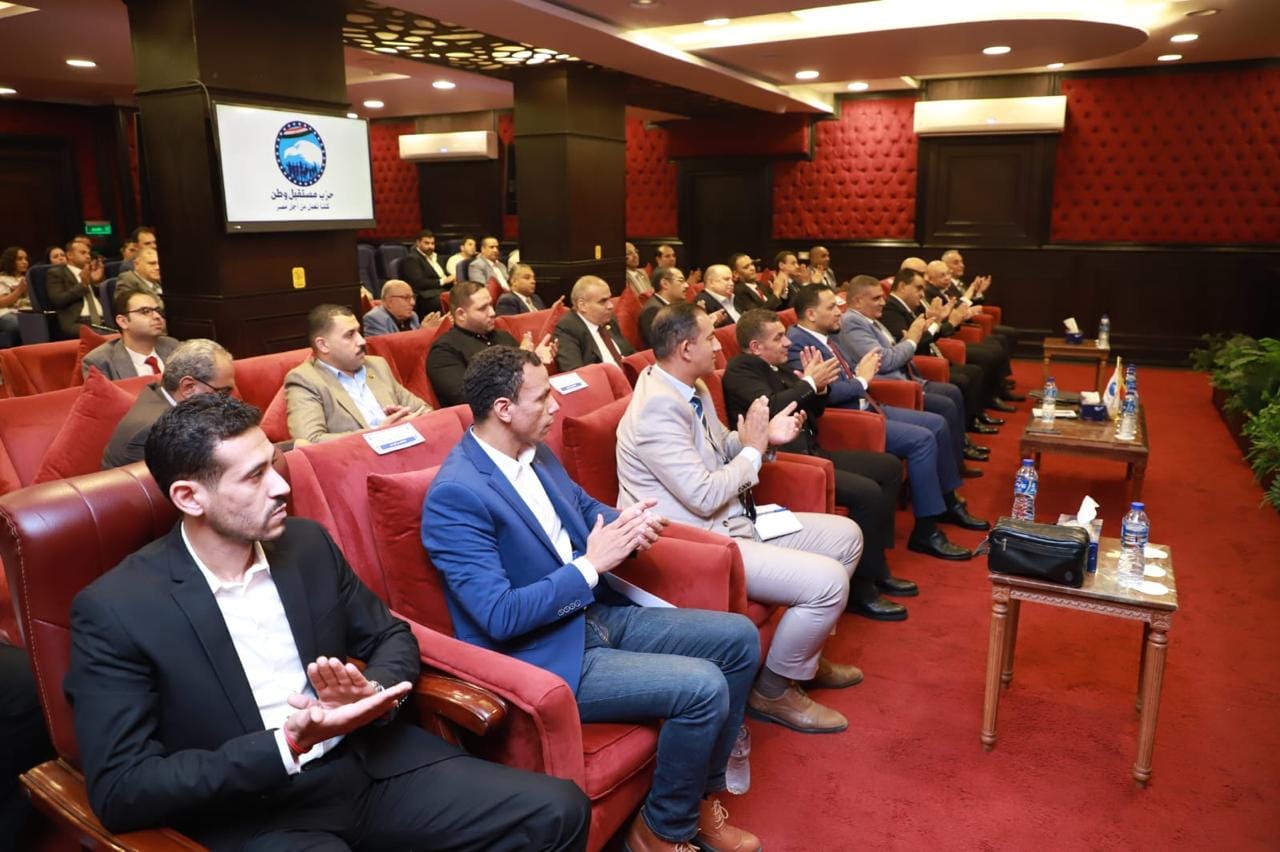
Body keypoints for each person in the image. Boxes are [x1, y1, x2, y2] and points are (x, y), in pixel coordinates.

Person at [67, 393, 590, 849]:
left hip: (367, 762)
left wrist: (369, 694)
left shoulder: (305, 544)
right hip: (260, 808)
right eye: (254, 476)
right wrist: (287, 744)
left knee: (559, 810)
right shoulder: (117, 608)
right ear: (189, 497)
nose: (280, 487)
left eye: (274, 465)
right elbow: (122, 789)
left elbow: (390, 636)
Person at [424, 346, 762, 852]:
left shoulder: (535, 452)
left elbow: (583, 509)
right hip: (540, 655)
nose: (556, 405)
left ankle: (699, 796)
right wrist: (590, 565)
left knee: (738, 638)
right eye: (542, 397)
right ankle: (662, 831)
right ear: (504, 408)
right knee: (703, 686)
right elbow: (498, 616)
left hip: (592, 613)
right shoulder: (456, 495)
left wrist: (629, 523)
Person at [617, 301, 865, 734]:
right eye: (710, 339)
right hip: (696, 542)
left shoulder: (689, 386)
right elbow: (703, 495)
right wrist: (753, 449)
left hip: (731, 519)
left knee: (846, 536)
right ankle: (772, 690)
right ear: (685, 347)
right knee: (828, 582)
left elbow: (721, 446)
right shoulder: (657, 407)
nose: (719, 347)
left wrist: (763, 438)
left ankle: (800, 657)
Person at [724, 309, 914, 619]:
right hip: (788, 459)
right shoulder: (741, 368)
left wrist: (819, 388)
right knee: (867, 493)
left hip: (813, 451)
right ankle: (862, 588)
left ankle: (876, 565)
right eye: (779, 337)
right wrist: (810, 382)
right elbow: (771, 407)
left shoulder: (777, 367)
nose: (788, 343)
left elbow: (814, 411)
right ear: (756, 347)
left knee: (889, 467)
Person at [786, 286, 984, 559]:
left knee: (937, 424)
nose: (839, 311)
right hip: (849, 419)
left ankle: (948, 501)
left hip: (868, 405)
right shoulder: (799, 343)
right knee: (922, 440)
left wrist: (860, 377)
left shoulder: (824, 336)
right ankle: (926, 531)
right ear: (810, 314)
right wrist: (862, 379)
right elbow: (824, 393)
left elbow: (848, 376)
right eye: (831, 307)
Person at [836, 276, 979, 480]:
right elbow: (885, 360)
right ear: (858, 301)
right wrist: (911, 339)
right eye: (876, 298)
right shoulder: (852, 322)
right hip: (892, 387)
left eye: (882, 297)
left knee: (953, 392)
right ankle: (954, 468)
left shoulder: (870, 320)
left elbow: (891, 350)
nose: (883, 302)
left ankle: (958, 456)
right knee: (946, 405)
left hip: (907, 378)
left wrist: (912, 337)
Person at [882, 266, 1000, 442]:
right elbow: (909, 344)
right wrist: (940, 323)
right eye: (918, 288)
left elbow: (922, 336)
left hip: (929, 355)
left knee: (975, 369)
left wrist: (940, 321)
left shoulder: (907, 306)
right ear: (902, 286)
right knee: (964, 379)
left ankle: (972, 423)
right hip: (919, 362)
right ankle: (966, 431)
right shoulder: (891, 309)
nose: (922, 293)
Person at [284, 304, 430, 443]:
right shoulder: (305, 380)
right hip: (358, 457)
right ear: (323, 345)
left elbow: (425, 411)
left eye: (359, 332)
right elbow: (310, 441)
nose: (362, 341)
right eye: (349, 335)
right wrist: (380, 433)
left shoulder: (376, 365)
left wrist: (407, 417)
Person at [102, 338, 236, 468]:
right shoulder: (153, 431)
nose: (228, 400)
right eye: (223, 392)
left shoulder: (162, 395)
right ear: (189, 387)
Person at [427, 280, 556, 407]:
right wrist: (519, 364)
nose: (493, 313)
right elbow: (467, 397)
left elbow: (526, 382)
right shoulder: (444, 350)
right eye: (483, 308)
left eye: (491, 305)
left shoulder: (503, 336)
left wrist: (535, 361)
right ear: (461, 314)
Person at [921, 259, 1015, 413]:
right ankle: (990, 398)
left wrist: (972, 298)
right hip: (944, 340)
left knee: (997, 345)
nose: (947, 278)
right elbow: (949, 318)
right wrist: (953, 319)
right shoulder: (929, 294)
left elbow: (959, 308)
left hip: (949, 335)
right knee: (988, 355)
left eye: (948, 274)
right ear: (928, 278)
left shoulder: (944, 290)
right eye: (942, 275)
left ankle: (997, 390)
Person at [82, 291, 180, 379]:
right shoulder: (100, 362)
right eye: (145, 311)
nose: (157, 316)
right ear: (123, 321)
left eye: (158, 311)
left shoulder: (174, 346)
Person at [554, 276, 636, 370]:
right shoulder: (567, 329)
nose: (611, 306)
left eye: (609, 299)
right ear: (582, 305)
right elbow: (575, 372)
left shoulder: (609, 320)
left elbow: (630, 353)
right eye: (603, 301)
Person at [45, 239, 107, 338]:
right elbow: (58, 300)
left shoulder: (91, 272)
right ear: (70, 255)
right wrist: (83, 285)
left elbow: (101, 298)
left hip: (104, 320)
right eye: (83, 253)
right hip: (78, 321)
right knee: (105, 336)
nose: (88, 256)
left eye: (88, 253)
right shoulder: (57, 273)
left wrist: (96, 283)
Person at [400, 230, 451, 317]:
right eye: (426, 243)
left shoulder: (436, 257)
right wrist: (443, 281)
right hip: (426, 296)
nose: (430, 246)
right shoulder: (412, 259)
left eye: (432, 243)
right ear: (418, 243)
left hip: (441, 290)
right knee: (450, 301)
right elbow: (418, 283)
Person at [638, 266, 688, 348]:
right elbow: (663, 345)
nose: (686, 285)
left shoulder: (673, 305)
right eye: (681, 281)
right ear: (665, 284)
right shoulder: (653, 310)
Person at [0, 246, 31, 347]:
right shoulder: (2, 279)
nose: (24, 262)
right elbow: (1, 303)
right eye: (20, 259)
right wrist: (19, 291)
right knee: (20, 325)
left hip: (26, 312)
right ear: (10, 261)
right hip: (5, 313)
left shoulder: (27, 278)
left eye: (26, 259)